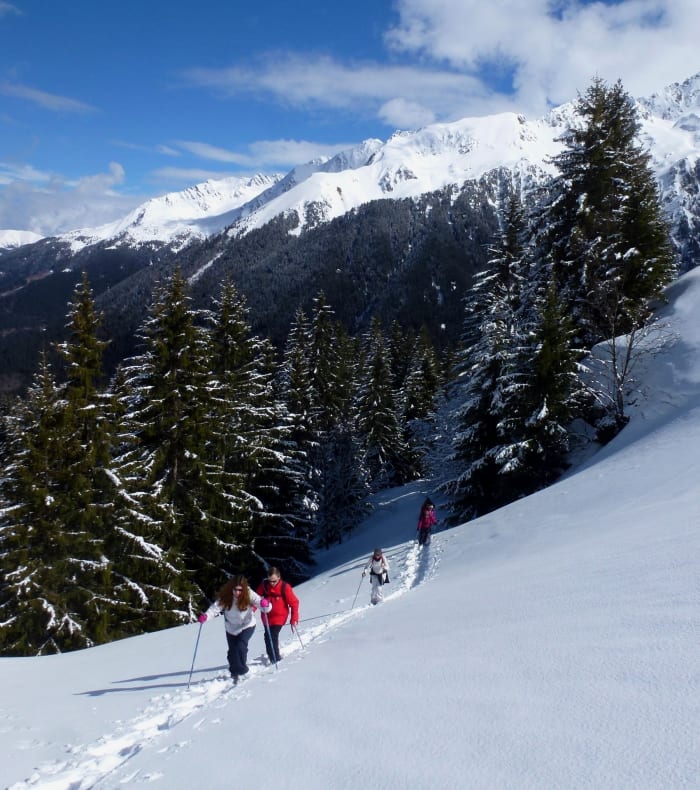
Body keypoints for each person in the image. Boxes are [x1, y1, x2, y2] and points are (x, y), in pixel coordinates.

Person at [198, 575, 271, 684]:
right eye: (235, 589)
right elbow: (215, 608)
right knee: (233, 651)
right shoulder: (226, 596)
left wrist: (265, 604)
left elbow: (261, 604)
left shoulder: (249, 594)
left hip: (247, 625)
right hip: (231, 627)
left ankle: (242, 671)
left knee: (240, 646)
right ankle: (235, 671)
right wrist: (206, 616)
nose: (237, 592)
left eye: (240, 590)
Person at [256, 567, 300, 665]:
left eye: (274, 581)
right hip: (266, 616)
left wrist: (294, 618)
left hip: (280, 616)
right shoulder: (263, 585)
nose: (272, 583)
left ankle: (276, 659)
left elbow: (294, 603)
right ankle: (272, 658)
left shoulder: (285, 587)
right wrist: (251, 610)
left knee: (272, 635)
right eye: (270, 581)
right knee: (267, 637)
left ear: (279, 578)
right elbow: (255, 599)